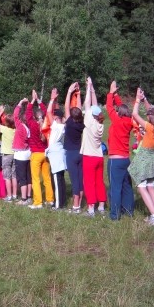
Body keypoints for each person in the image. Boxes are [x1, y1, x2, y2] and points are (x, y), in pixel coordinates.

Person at [128, 87, 154, 225]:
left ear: (150, 117)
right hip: (153, 157)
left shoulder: (149, 127)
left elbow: (135, 114)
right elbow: (153, 111)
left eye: (148, 115)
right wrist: (145, 99)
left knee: (141, 186)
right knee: (150, 186)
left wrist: (138, 99)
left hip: (144, 157)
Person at [106, 81, 135, 221]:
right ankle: (128, 211)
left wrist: (110, 93)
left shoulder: (117, 121)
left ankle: (115, 214)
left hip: (115, 160)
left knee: (115, 187)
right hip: (125, 159)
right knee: (126, 185)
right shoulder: (129, 121)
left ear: (119, 113)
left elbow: (109, 107)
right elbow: (122, 108)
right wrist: (116, 96)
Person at [80, 77, 106, 217]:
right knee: (99, 182)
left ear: (91, 115)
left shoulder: (89, 122)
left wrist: (88, 86)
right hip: (99, 157)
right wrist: (92, 88)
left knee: (89, 182)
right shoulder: (100, 124)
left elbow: (87, 103)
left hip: (89, 157)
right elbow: (94, 105)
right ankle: (101, 206)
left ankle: (91, 209)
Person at [26, 90, 53, 209]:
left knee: (36, 179)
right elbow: (47, 112)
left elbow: (27, 113)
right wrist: (38, 101)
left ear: (34, 117)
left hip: (36, 155)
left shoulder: (32, 125)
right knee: (47, 178)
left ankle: (38, 202)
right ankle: (50, 199)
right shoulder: (47, 125)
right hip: (45, 154)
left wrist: (32, 100)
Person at [44, 89, 67, 210]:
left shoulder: (56, 126)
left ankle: (58, 205)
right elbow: (57, 113)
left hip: (56, 155)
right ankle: (62, 202)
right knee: (61, 179)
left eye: (53, 116)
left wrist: (52, 99)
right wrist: (56, 100)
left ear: (56, 117)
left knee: (57, 180)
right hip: (60, 154)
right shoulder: (63, 126)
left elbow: (48, 111)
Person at [64, 83, 84, 213]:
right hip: (80, 152)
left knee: (74, 181)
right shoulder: (81, 123)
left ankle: (76, 206)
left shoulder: (70, 123)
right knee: (80, 179)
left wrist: (69, 91)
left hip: (71, 154)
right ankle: (80, 203)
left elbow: (66, 106)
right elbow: (79, 109)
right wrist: (78, 94)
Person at [0, 105, 17, 202]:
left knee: (7, 176)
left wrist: (0, 112)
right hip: (15, 154)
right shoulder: (16, 130)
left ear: (6, 122)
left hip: (6, 155)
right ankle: (15, 194)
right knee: (14, 176)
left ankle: (9, 196)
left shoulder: (4, 129)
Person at [12, 98, 32, 205]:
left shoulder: (20, 127)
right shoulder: (29, 128)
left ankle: (23, 199)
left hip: (20, 155)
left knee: (22, 177)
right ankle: (29, 196)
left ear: (21, 120)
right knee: (28, 176)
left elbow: (15, 114)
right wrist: (29, 105)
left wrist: (20, 103)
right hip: (27, 153)